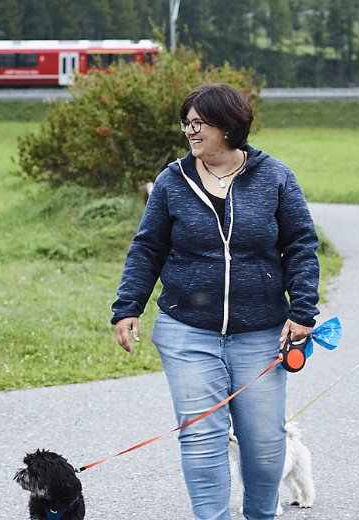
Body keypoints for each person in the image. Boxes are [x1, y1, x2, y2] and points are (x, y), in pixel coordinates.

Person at [112, 83, 321, 520]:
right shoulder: (172, 180)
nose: (190, 131)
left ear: (227, 126)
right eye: (186, 123)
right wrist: (128, 306)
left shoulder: (275, 176)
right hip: (186, 331)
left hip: (261, 333)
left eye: (198, 123)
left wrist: (303, 309)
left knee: (264, 446)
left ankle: (261, 515)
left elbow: (301, 244)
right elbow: (147, 247)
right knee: (201, 441)